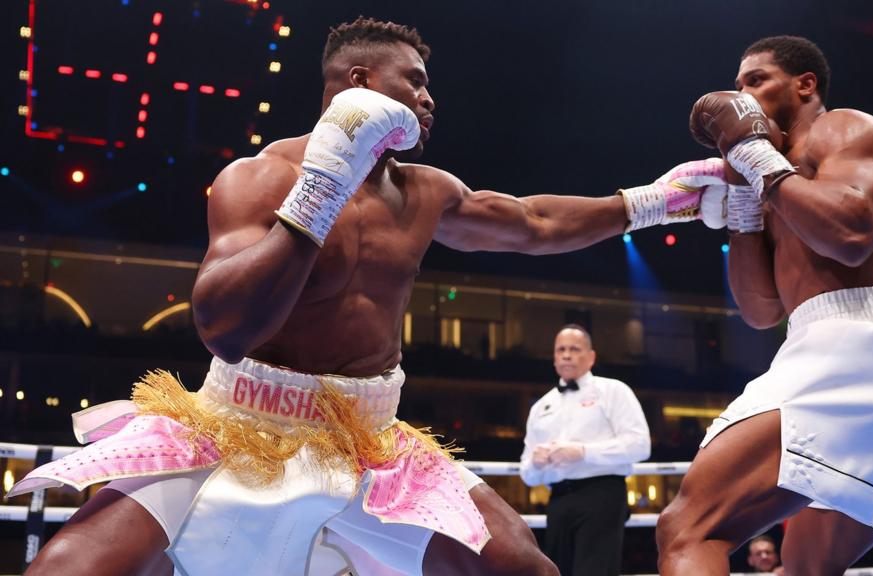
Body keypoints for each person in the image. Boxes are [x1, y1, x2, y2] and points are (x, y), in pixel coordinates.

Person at [10, 17, 728, 576]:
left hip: (369, 442)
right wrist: (321, 190)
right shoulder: (258, 177)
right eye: (413, 82)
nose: (428, 98)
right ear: (355, 82)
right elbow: (223, 327)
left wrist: (653, 202)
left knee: (520, 566)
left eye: (429, 86)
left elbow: (533, 223)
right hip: (237, 422)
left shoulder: (423, 191)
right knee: (68, 565)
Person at [655, 36, 873, 575]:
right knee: (807, 568)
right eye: (739, 84)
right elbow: (762, 310)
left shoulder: (846, 130)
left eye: (756, 80)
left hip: (863, 338)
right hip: (852, 350)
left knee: (688, 528)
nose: (741, 94)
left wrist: (754, 157)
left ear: (805, 85)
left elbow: (850, 233)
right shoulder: (778, 183)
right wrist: (746, 203)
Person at [519, 324, 651, 576]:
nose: (567, 355)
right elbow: (527, 473)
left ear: (591, 357)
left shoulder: (614, 391)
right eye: (561, 350)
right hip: (557, 499)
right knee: (559, 572)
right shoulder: (542, 406)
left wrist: (584, 452)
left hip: (602, 493)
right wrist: (535, 464)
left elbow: (640, 445)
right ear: (554, 358)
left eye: (574, 349)